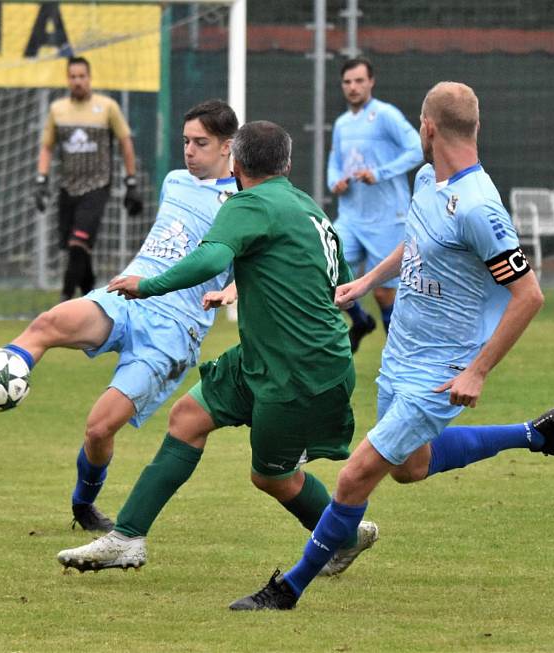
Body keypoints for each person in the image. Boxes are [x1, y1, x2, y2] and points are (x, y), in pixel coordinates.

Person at [229, 82, 554, 610]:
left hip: (441, 369)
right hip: (400, 354)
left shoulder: (480, 209)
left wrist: (478, 371)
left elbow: (529, 295)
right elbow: (416, 240)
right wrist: (367, 281)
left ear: (428, 127)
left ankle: (288, 589)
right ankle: (537, 434)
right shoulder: (426, 179)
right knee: (409, 466)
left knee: (355, 477)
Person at [54, 120, 379, 576]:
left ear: (238, 163)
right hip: (268, 358)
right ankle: (127, 538)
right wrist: (250, 290)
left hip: (298, 369)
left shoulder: (247, 203)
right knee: (188, 418)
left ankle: (344, 534)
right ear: (286, 164)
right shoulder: (309, 208)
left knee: (270, 476)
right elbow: (336, 284)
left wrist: (148, 286)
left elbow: (211, 258)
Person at [0, 99, 240, 533]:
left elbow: (252, 268)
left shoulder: (242, 203)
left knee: (97, 429)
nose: (188, 151)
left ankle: (83, 504)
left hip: (173, 329)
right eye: (185, 141)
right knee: (46, 325)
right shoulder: (174, 181)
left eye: (200, 143)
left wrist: (229, 291)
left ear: (227, 147)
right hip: (127, 296)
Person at [328, 56, 423, 352]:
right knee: (325, 271)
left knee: (384, 292)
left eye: (359, 80)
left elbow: (417, 149)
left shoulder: (386, 115)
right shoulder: (342, 123)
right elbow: (334, 163)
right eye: (347, 82)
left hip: (387, 217)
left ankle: (400, 354)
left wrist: (380, 173)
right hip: (351, 216)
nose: (353, 87)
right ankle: (360, 320)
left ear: (371, 82)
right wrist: (335, 182)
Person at [34, 56, 144, 302]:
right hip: (67, 187)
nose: (78, 81)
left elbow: (126, 142)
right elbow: (47, 147)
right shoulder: (58, 109)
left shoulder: (107, 107)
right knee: (78, 250)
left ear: (90, 78)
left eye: (82, 76)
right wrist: (42, 180)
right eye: (73, 77)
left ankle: (64, 300)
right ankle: (91, 299)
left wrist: (131, 181)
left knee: (77, 243)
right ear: (67, 79)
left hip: (97, 186)